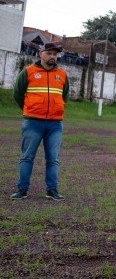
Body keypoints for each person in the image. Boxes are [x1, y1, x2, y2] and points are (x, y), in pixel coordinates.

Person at [11, 43, 69, 201]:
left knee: (53, 159)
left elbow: (64, 97)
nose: (52, 56)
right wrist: (30, 109)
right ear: (40, 54)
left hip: (55, 124)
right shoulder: (29, 72)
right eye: (49, 53)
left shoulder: (62, 75)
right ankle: (22, 190)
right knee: (27, 157)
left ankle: (52, 190)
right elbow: (17, 94)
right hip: (33, 123)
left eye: (55, 54)